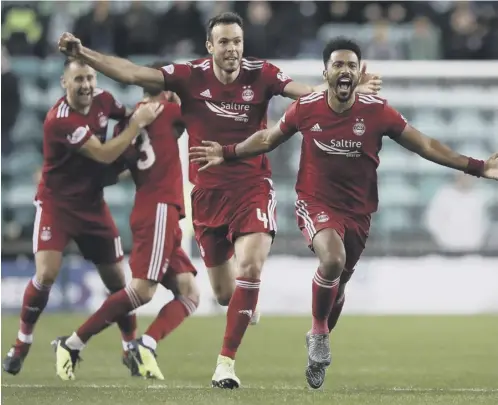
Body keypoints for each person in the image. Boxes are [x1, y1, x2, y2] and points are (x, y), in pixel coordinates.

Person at [57, 12, 382, 388]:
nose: (232, 49)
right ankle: (245, 301)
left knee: (251, 267)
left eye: (237, 42)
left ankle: (225, 364)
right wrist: (85, 52)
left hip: (252, 186)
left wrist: (348, 89)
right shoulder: (188, 75)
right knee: (226, 294)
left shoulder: (261, 74)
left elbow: (305, 94)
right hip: (208, 195)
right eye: (224, 42)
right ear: (210, 46)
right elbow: (131, 74)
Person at [189, 37, 498, 389]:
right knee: (332, 260)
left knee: (341, 282)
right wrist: (227, 152)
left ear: (359, 71)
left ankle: (322, 331)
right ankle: (318, 331)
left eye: (351, 65)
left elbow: (425, 144)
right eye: (338, 65)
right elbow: (266, 139)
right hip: (314, 202)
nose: (345, 70)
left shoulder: (377, 110)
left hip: (358, 211)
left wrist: (477, 167)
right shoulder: (307, 107)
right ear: (326, 72)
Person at [2, 58, 164, 376]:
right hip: (57, 206)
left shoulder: (105, 101)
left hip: (92, 205)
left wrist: (151, 112)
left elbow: (126, 117)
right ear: (65, 83)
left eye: (90, 77)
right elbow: (104, 152)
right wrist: (137, 125)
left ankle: (130, 346)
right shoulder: (59, 120)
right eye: (79, 79)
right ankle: (21, 343)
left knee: (118, 282)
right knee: (46, 274)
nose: (87, 84)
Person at [53, 62, 199, 381]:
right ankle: (73, 343)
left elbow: (111, 170)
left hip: (153, 209)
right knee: (143, 291)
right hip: (160, 208)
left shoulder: (129, 122)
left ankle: (144, 344)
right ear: (167, 89)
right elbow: (204, 118)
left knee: (189, 291)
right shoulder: (168, 111)